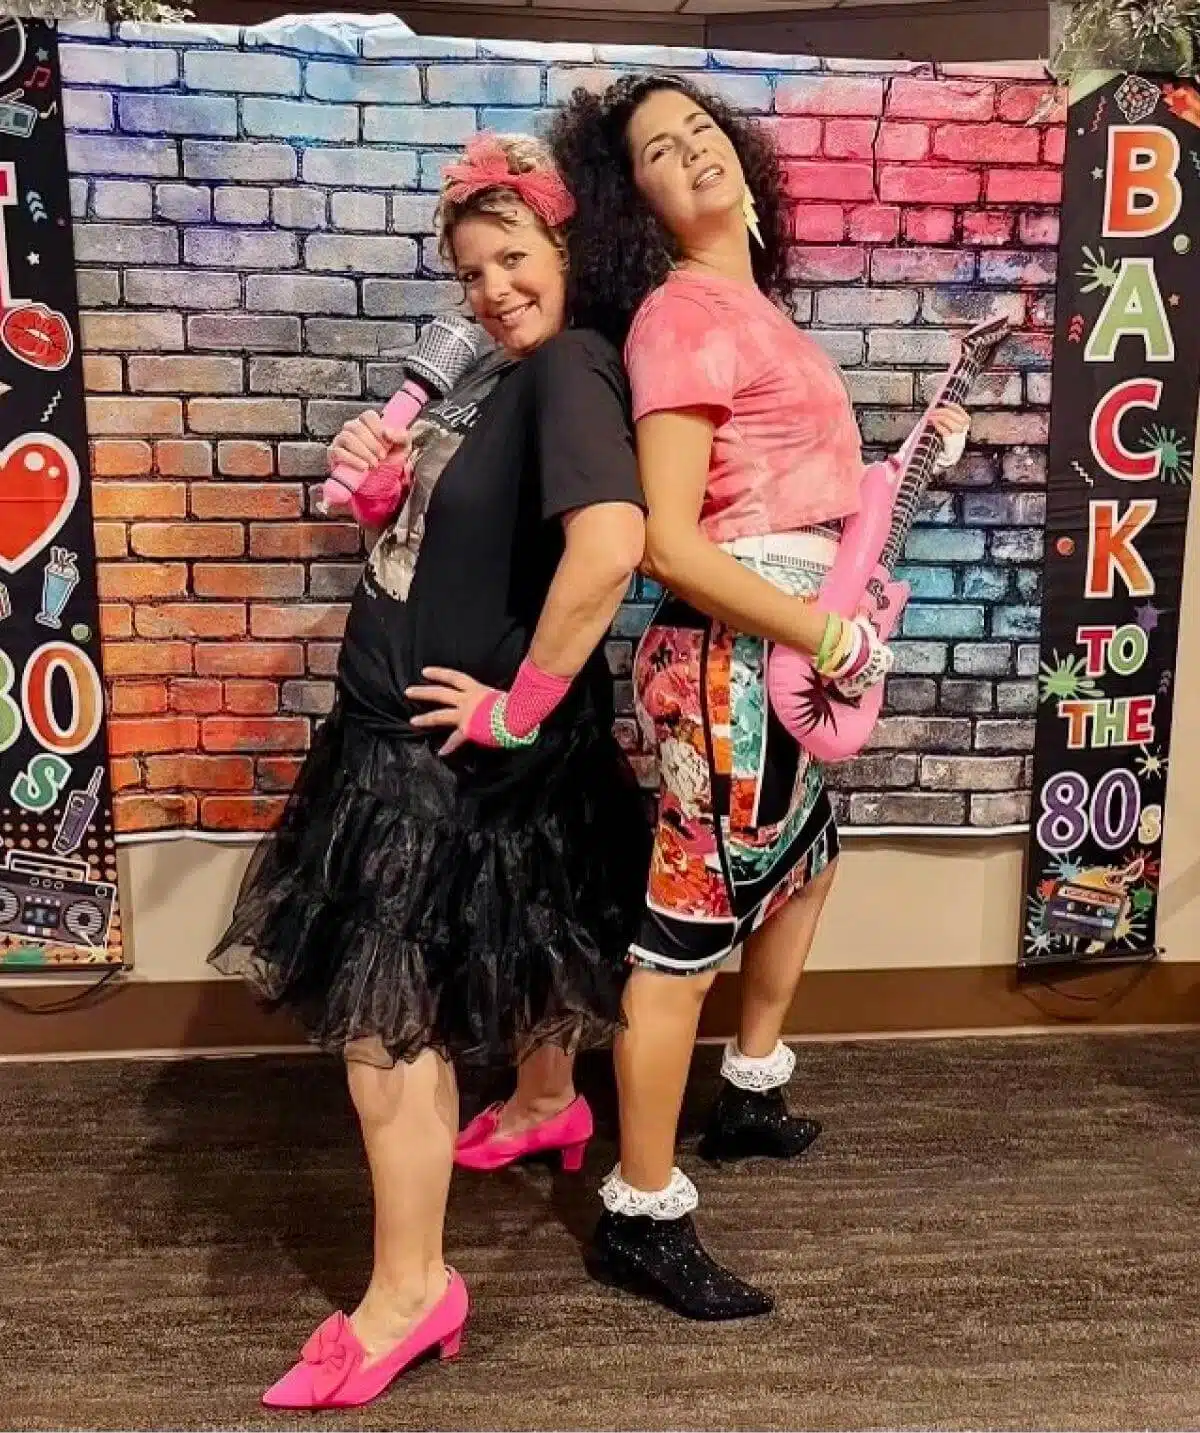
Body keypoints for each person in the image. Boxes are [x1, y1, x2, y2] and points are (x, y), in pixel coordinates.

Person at [452, 74, 969, 1320]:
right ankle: (640, 1207)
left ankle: (746, 1090)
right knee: (680, 941)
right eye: (656, 155)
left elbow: (795, 494)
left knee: (805, 861)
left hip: (788, 648)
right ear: (635, 202)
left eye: (702, 133)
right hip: (731, 662)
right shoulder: (681, 320)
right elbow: (671, 545)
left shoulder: (755, 306)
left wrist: (899, 474)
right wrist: (826, 631)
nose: (691, 155)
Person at [210, 132, 650, 1408]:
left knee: (384, 1020)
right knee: (532, 917)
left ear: (572, 250)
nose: (491, 289)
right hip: (409, 729)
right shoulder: (497, 381)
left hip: (429, 748)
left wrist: (523, 705)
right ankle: (552, 1098)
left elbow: (611, 544)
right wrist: (386, 486)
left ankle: (413, 1289)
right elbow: (452, 541)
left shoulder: (568, 365)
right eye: (470, 272)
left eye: (514, 258)